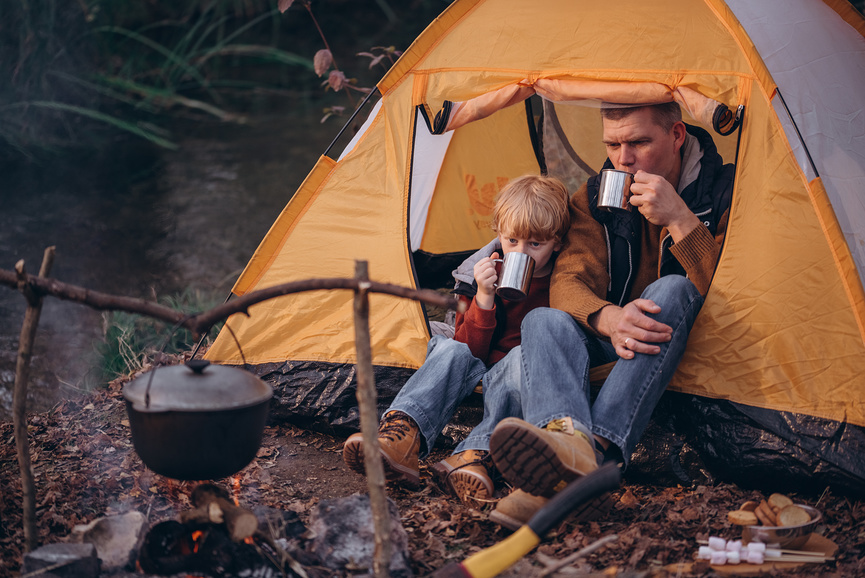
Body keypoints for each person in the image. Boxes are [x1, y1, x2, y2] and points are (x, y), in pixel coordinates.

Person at [486, 102, 735, 527]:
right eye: (613, 144)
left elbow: (737, 290)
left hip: (696, 343)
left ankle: (578, 468)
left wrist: (680, 219)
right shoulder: (597, 196)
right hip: (615, 339)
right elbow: (566, 283)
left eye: (638, 142)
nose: (623, 158)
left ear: (676, 135)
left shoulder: (726, 188)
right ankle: (570, 441)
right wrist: (608, 318)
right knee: (541, 319)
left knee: (671, 289)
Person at [342, 174, 571, 505]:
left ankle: (476, 455)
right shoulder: (480, 273)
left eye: (536, 245)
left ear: (557, 243)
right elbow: (470, 349)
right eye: (512, 241)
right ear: (498, 235)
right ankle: (401, 436)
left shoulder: (564, 282)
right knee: (448, 349)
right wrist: (484, 297)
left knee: (520, 362)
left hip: (518, 371)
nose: (522, 252)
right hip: (475, 361)